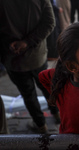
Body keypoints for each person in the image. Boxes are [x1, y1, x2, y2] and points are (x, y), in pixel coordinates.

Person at [0, 0, 60, 133]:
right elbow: (50, 22)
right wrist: (27, 42)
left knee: (28, 95)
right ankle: (57, 115)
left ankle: (41, 126)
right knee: (47, 87)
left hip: (13, 59)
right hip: (37, 56)